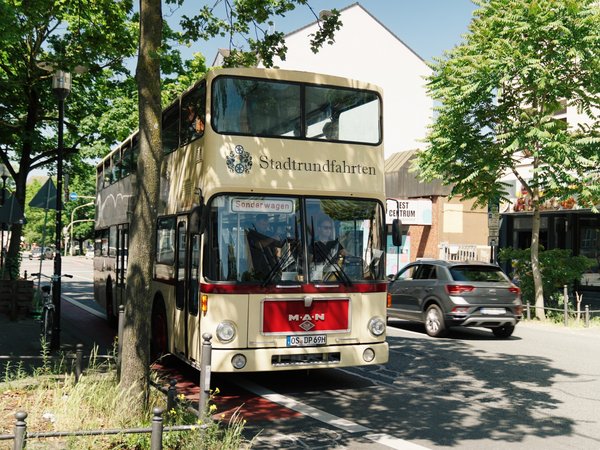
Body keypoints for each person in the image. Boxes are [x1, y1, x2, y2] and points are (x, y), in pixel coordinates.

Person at [246, 214, 282, 279]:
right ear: (256, 223)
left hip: (273, 268)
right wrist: (272, 239)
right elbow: (258, 245)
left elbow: (279, 244)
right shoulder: (252, 234)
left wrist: (280, 238)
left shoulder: (270, 233)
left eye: (266, 224)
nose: (265, 226)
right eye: (262, 224)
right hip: (259, 270)